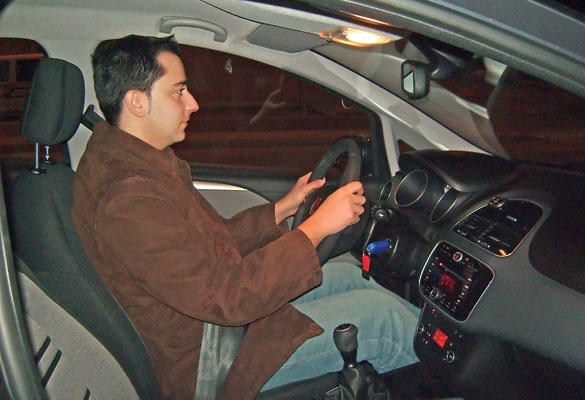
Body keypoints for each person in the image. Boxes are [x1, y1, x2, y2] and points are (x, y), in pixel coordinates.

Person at [71, 34, 419, 400]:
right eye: (179, 91)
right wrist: (317, 228)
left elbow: (206, 247)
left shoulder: (136, 166)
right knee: (386, 323)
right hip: (208, 363)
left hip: (213, 329)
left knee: (346, 276)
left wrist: (282, 209)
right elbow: (227, 295)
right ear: (137, 102)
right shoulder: (128, 199)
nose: (193, 103)